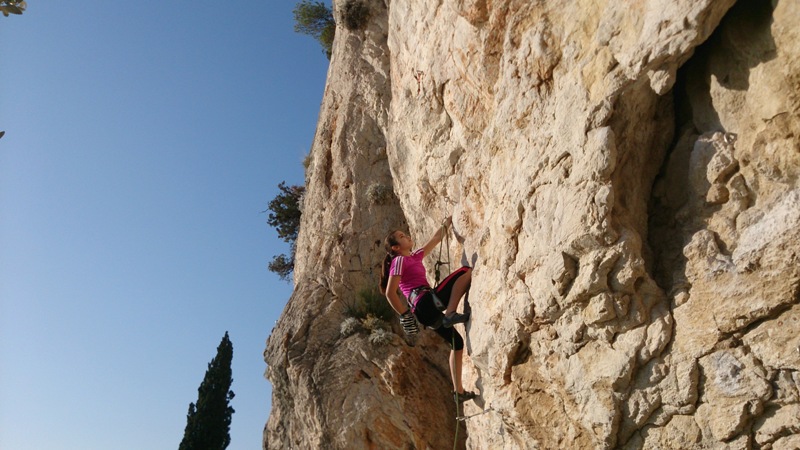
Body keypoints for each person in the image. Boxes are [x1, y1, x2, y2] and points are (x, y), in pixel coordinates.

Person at [380, 216, 476, 401]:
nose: (406, 236)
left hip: (424, 311)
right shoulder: (399, 261)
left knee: (457, 343)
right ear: (395, 248)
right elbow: (390, 293)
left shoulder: (414, 257)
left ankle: (459, 392)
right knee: (465, 272)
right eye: (401, 236)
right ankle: (450, 313)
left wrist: (448, 222)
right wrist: (403, 314)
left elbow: (435, 240)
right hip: (424, 301)